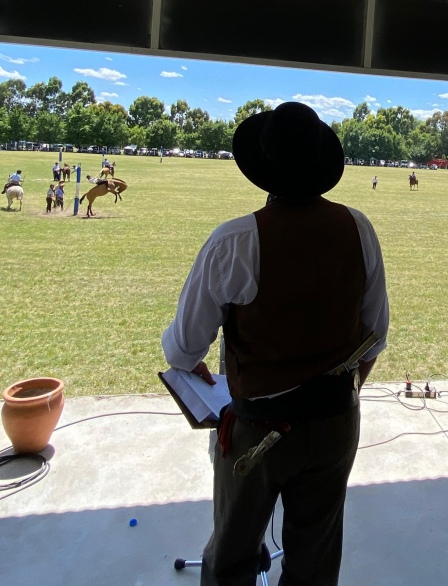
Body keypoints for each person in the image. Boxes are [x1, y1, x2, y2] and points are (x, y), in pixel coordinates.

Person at [161, 101, 389, 586]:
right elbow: (375, 336)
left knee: (232, 557)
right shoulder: (358, 229)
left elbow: (182, 350)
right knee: (316, 560)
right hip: (334, 422)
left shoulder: (233, 241)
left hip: (256, 429)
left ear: (263, 168)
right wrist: (338, 394)